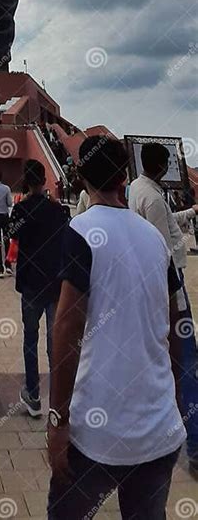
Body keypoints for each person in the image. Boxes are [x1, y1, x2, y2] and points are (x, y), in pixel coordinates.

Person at [47, 136, 185, 519]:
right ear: (124, 175)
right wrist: (169, 395)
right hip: (158, 429)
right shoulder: (155, 238)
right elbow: (177, 325)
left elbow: (66, 329)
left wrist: (58, 419)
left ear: (79, 177)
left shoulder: (82, 231)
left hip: (97, 431)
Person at [128, 141, 198, 473]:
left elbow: (167, 227)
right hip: (168, 284)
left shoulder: (138, 188)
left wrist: (192, 212)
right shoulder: (154, 198)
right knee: (187, 363)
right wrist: (174, 301)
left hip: (153, 287)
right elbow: (162, 252)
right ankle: (195, 445)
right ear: (162, 165)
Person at [9, 160, 69, 417]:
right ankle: (58, 397)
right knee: (55, 342)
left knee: (30, 339)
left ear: (26, 179)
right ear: (44, 180)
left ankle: (33, 395)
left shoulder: (21, 210)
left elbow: (13, 236)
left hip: (31, 282)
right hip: (55, 282)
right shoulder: (58, 210)